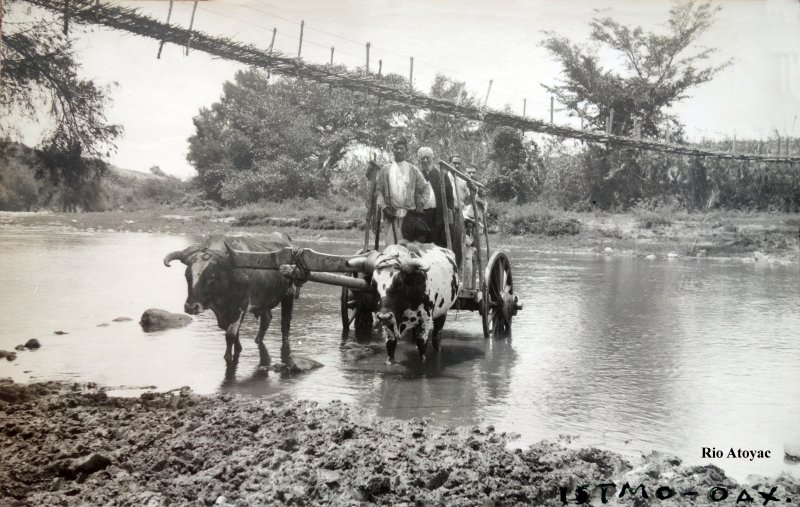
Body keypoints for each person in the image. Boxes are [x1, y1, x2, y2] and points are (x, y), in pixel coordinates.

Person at [375, 137, 430, 246]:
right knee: (391, 248)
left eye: (402, 148)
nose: (399, 151)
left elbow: (426, 188)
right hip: (391, 214)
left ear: (406, 151)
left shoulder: (413, 169)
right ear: (392, 150)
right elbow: (378, 192)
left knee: (407, 248)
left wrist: (421, 204)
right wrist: (385, 208)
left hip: (409, 216)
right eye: (396, 148)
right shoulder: (385, 169)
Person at [417, 147, 454, 248]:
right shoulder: (418, 175)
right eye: (422, 158)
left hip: (437, 215)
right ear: (419, 160)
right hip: (423, 215)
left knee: (437, 244)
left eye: (427, 158)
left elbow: (450, 197)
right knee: (423, 245)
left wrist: (449, 210)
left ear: (432, 158)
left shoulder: (441, 175)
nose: (425, 160)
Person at [462, 219, 477, 289]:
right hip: (466, 258)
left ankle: (469, 287)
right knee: (467, 273)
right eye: (468, 227)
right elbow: (473, 244)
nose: (469, 229)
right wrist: (478, 234)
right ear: (465, 227)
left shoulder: (470, 235)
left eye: (471, 227)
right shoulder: (464, 236)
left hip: (470, 257)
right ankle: (466, 288)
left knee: (470, 273)